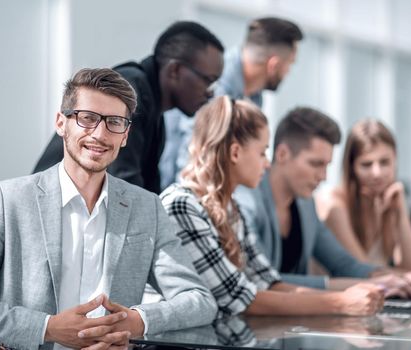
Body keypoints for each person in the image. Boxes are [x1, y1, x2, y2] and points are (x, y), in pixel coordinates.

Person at [0, 68, 217, 350]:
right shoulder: (8, 199)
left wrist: (134, 321)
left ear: (126, 135)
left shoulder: (147, 207)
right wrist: (47, 329)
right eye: (87, 118)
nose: (100, 134)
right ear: (61, 123)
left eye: (114, 122)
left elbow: (198, 300)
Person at [161, 95, 386, 317]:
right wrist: (340, 303)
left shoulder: (231, 210)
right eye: (262, 152)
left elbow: (268, 282)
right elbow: (240, 298)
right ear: (235, 153)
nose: (267, 163)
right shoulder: (183, 206)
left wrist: (353, 293)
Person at [234, 107, 411, 293]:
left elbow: (342, 263)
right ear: (282, 154)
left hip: (296, 321)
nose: (323, 176)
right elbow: (261, 280)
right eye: (316, 164)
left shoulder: (305, 205)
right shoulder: (248, 201)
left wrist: (395, 278)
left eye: (326, 166)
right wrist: (368, 286)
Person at [34, 21, 224, 194]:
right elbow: (124, 185)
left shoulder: (155, 112)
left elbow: (145, 196)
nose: (211, 93)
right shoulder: (132, 91)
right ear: (175, 71)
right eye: (208, 81)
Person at [160, 17, 302, 189]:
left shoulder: (255, 98)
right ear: (274, 65)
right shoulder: (215, 85)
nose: (289, 72)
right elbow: (191, 155)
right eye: (290, 64)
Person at [316, 119, 411, 272]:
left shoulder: (386, 202)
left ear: (395, 161)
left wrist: (401, 213)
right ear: (351, 167)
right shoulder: (334, 205)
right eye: (366, 164)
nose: (377, 173)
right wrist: (408, 278)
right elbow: (365, 273)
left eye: (385, 162)